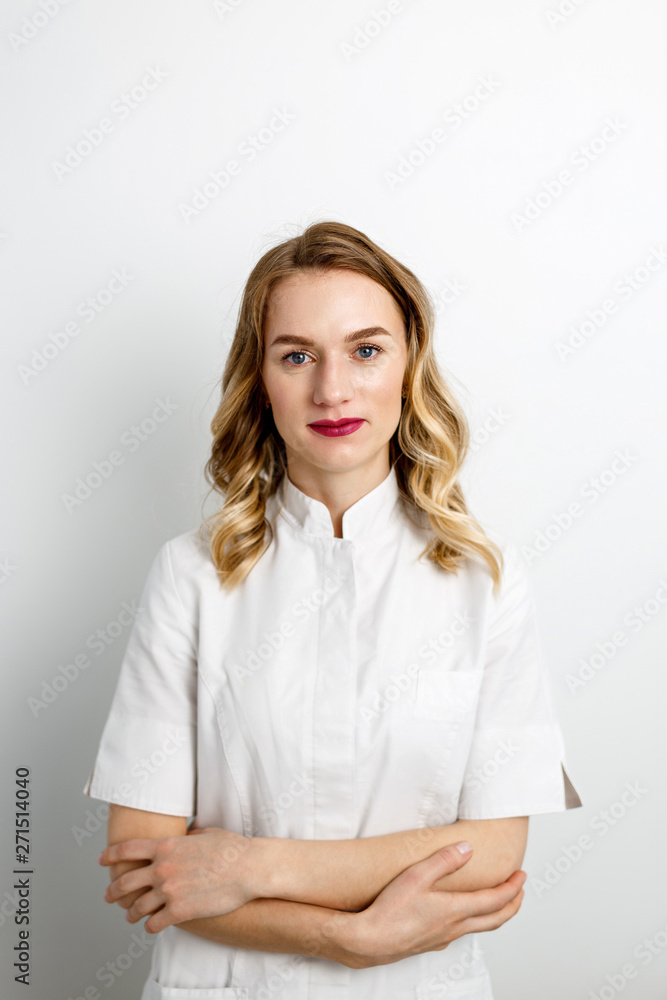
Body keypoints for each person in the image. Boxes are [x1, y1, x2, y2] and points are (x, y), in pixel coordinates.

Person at [83, 220, 582, 999]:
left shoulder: (485, 580)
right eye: (295, 356)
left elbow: (489, 855)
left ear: (409, 367)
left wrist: (248, 865)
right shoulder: (189, 575)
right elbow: (145, 867)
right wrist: (341, 938)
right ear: (260, 380)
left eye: (366, 350)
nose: (331, 390)